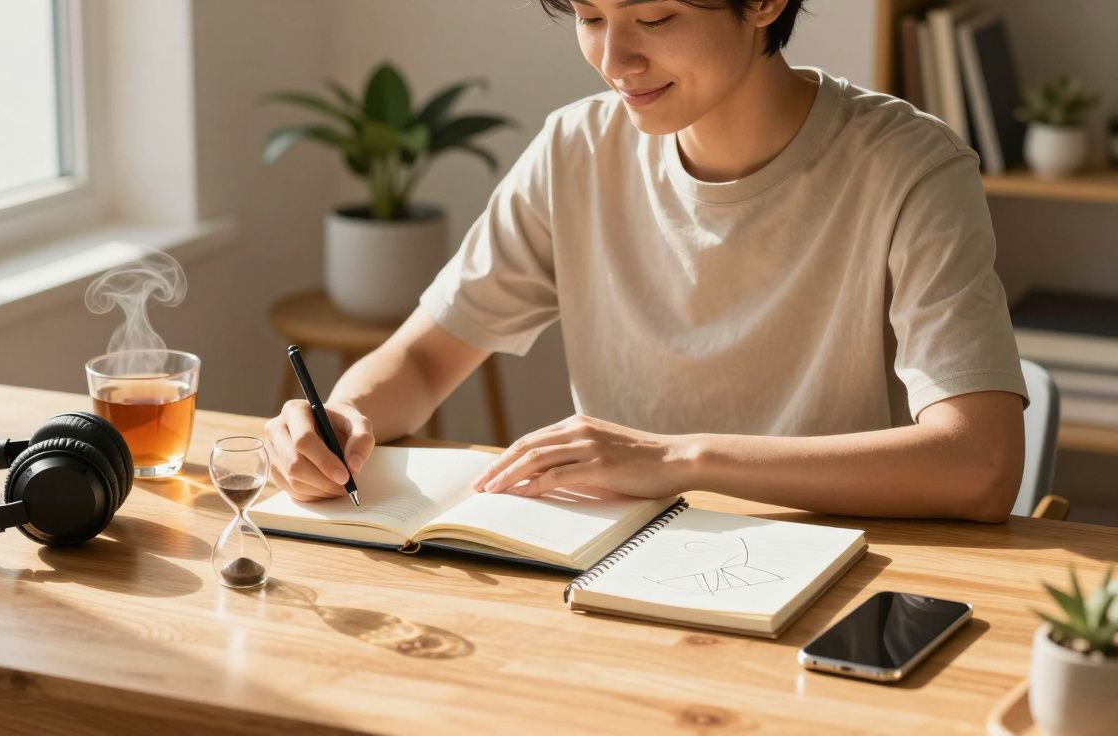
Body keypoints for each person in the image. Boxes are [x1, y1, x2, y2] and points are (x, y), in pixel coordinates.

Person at [263, 0, 1028, 522]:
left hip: (828, 572)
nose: (613, 58)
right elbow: (423, 363)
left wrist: (677, 458)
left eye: (654, 16)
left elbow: (980, 464)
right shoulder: (576, 149)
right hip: (612, 569)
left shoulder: (909, 167)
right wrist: (346, 418)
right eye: (591, 16)